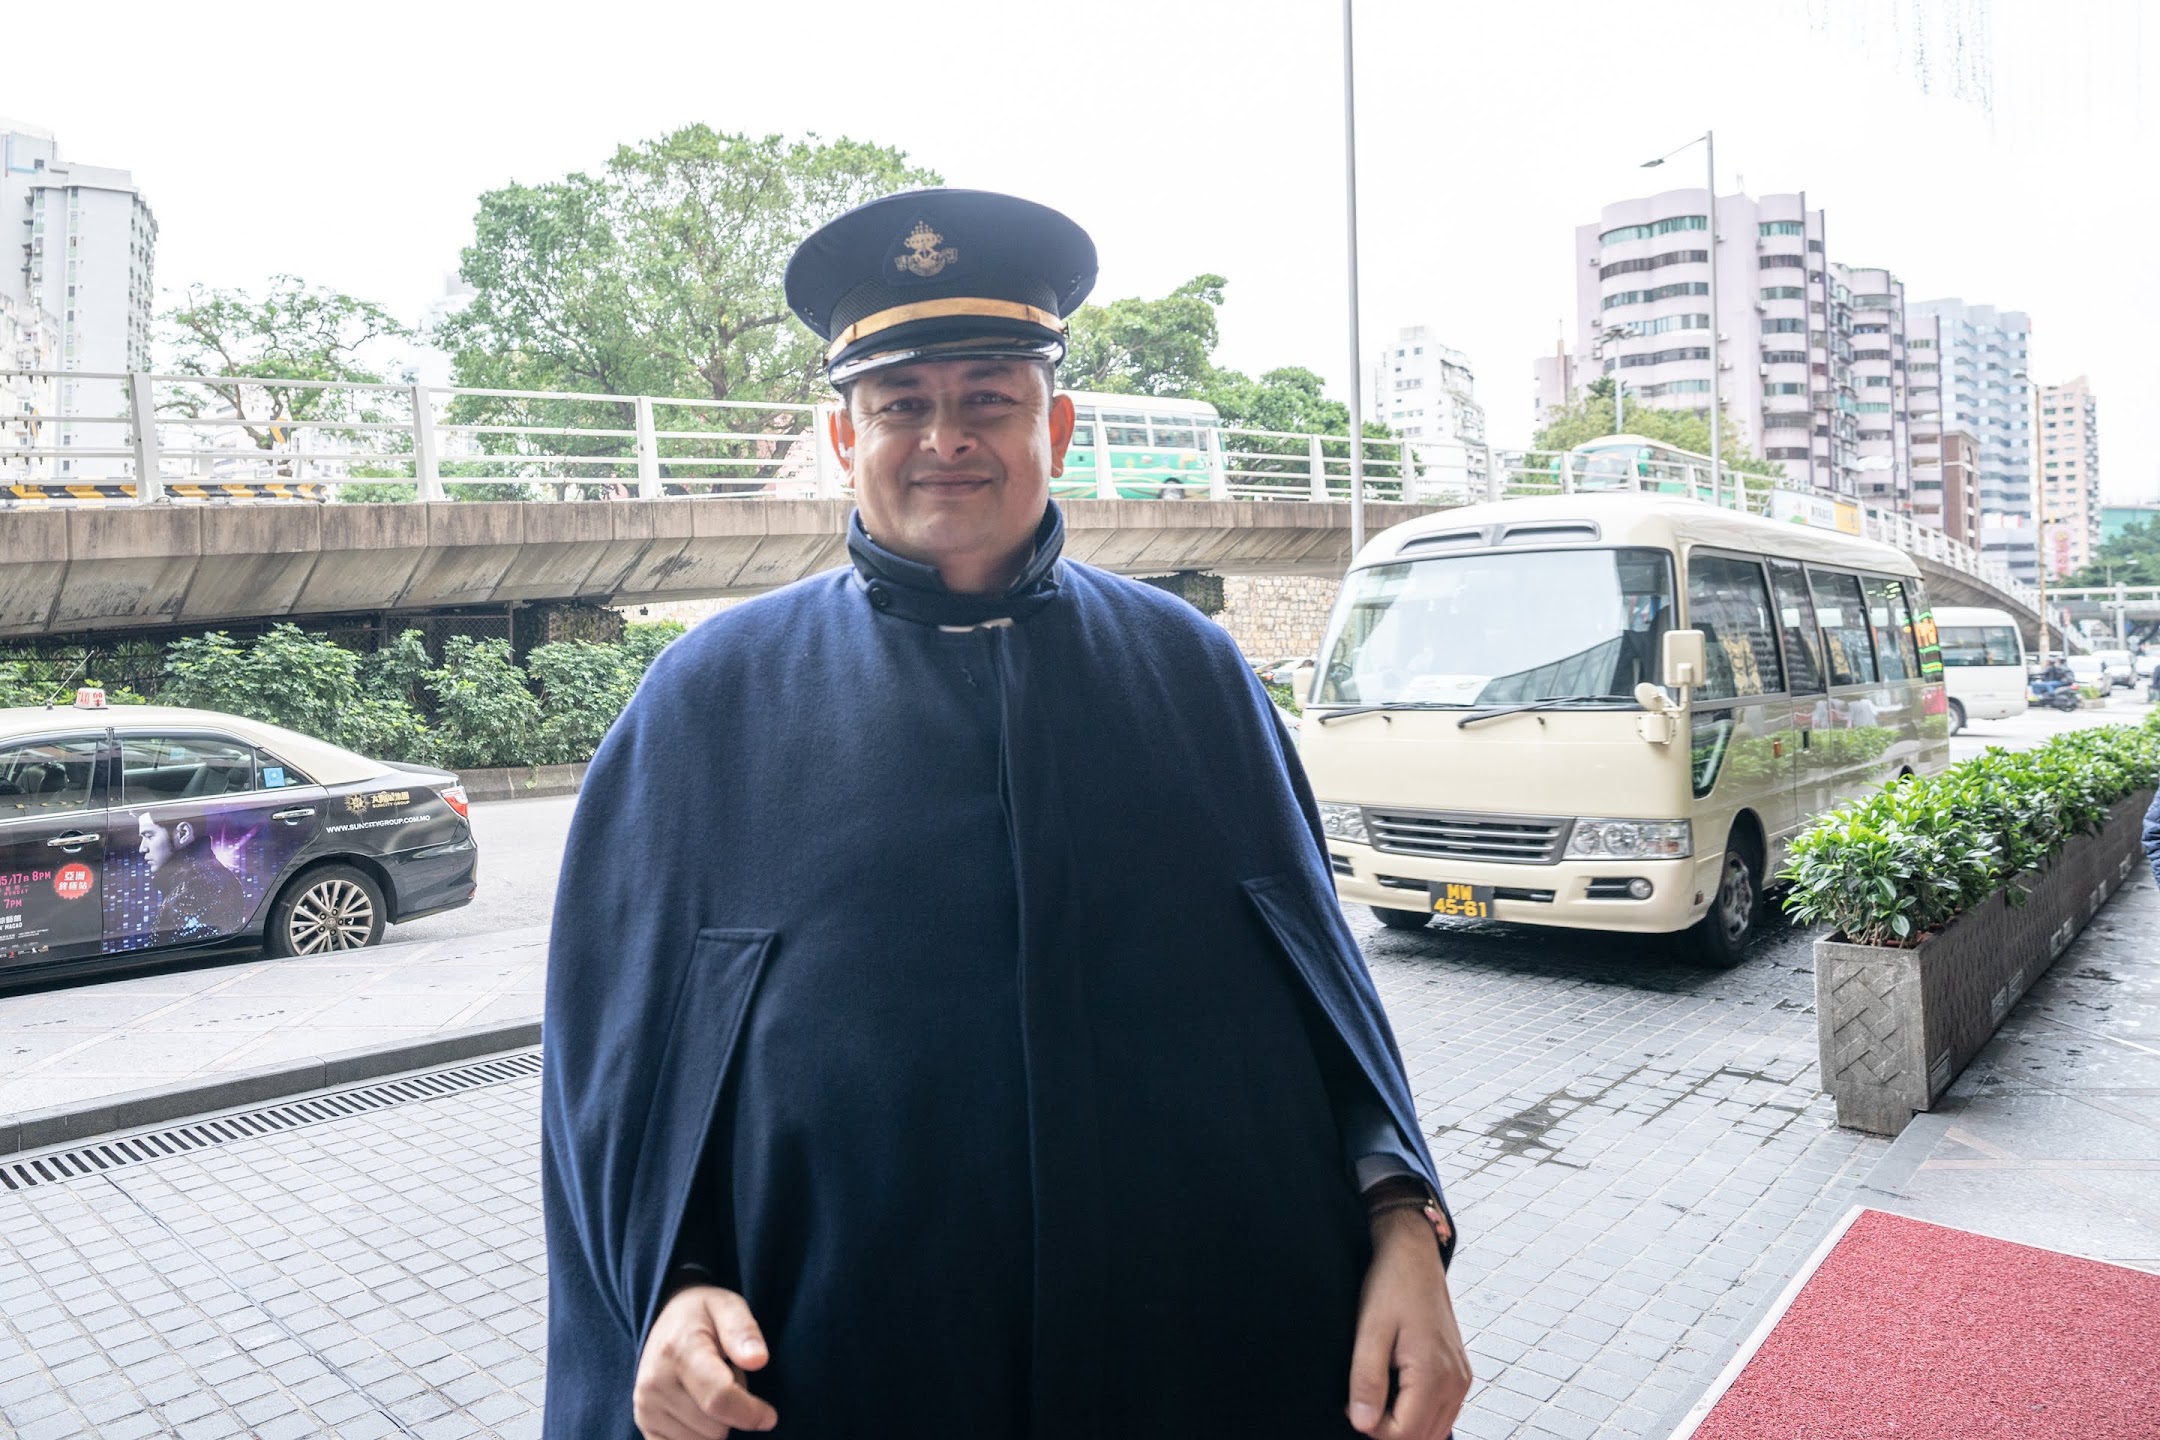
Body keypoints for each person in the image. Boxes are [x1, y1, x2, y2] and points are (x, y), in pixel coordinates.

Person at [541, 189, 1471, 1440]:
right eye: (901, 404)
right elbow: (625, 1082)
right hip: (841, 1374)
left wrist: (1404, 1221)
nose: (946, 438)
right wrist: (675, 1289)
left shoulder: (1190, 671)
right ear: (841, 435)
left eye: (989, 397)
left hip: (1199, 1360)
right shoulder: (708, 701)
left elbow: (1324, 1002)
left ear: (1059, 423)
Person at [137, 806, 248, 939]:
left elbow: (172, 946)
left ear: (183, 833)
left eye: (149, 836)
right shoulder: (201, 877)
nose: (142, 848)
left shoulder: (195, 886)